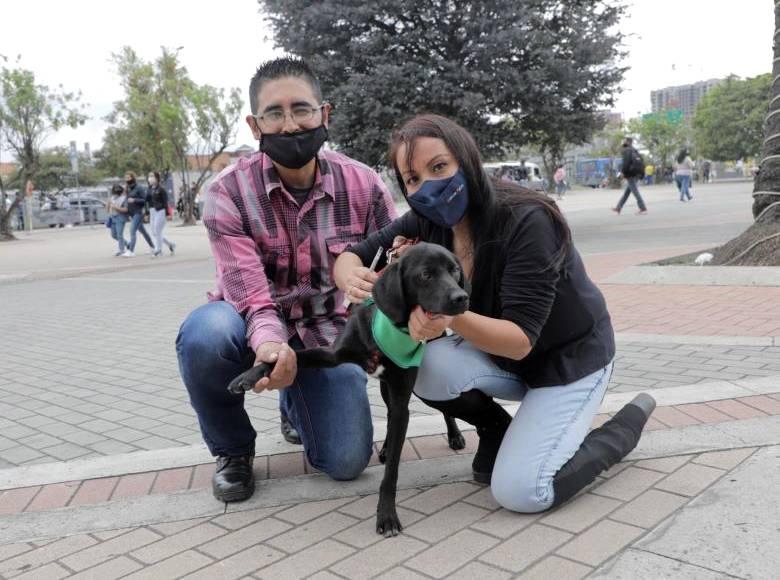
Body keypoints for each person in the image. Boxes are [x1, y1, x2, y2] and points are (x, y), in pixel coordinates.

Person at [336, 114, 656, 513]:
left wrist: (445, 316)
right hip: (501, 358)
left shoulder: (526, 219)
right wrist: (352, 278)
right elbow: (352, 254)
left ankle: (623, 428)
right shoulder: (428, 219)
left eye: (439, 167)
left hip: (566, 361)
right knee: (425, 364)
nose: (428, 186)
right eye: (413, 178)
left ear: (466, 160)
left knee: (522, 492)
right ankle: (496, 429)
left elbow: (521, 341)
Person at [176, 57, 397, 503]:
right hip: (249, 323)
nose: (291, 125)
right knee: (205, 335)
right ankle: (233, 451)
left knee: (347, 463)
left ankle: (296, 404)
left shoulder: (366, 185)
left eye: (302, 109)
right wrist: (272, 347)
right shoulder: (226, 192)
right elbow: (250, 294)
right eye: (274, 114)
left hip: (325, 332)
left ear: (324, 114)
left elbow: (389, 274)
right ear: (255, 126)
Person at [613, 137, 648, 215]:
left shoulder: (626, 150)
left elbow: (626, 163)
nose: (622, 142)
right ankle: (618, 208)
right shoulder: (635, 150)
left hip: (631, 174)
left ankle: (643, 208)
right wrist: (641, 174)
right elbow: (642, 163)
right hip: (636, 173)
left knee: (635, 192)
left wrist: (622, 172)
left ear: (627, 142)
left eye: (624, 141)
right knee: (627, 192)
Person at [145, 171, 176, 256]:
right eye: (149, 176)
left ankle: (158, 249)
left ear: (157, 178)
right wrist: (146, 213)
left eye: (152, 176)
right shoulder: (149, 189)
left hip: (160, 211)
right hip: (152, 212)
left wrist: (168, 214)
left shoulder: (161, 189)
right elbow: (146, 201)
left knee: (157, 231)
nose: (150, 178)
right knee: (154, 233)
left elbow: (165, 202)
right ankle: (171, 245)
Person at [124, 171, 154, 257]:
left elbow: (144, 200)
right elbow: (127, 201)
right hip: (132, 213)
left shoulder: (139, 187)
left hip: (138, 213)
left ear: (133, 178)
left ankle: (131, 251)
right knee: (143, 232)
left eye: (128, 177)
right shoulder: (128, 188)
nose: (127, 179)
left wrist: (134, 200)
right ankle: (153, 247)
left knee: (132, 230)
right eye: (126, 178)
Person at [107, 183, 130, 256]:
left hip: (120, 217)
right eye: (115, 190)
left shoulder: (124, 198)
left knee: (120, 234)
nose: (116, 192)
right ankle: (127, 243)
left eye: (118, 190)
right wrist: (108, 203)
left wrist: (116, 207)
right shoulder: (112, 198)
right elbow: (107, 209)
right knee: (114, 235)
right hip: (113, 217)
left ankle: (121, 250)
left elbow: (126, 209)